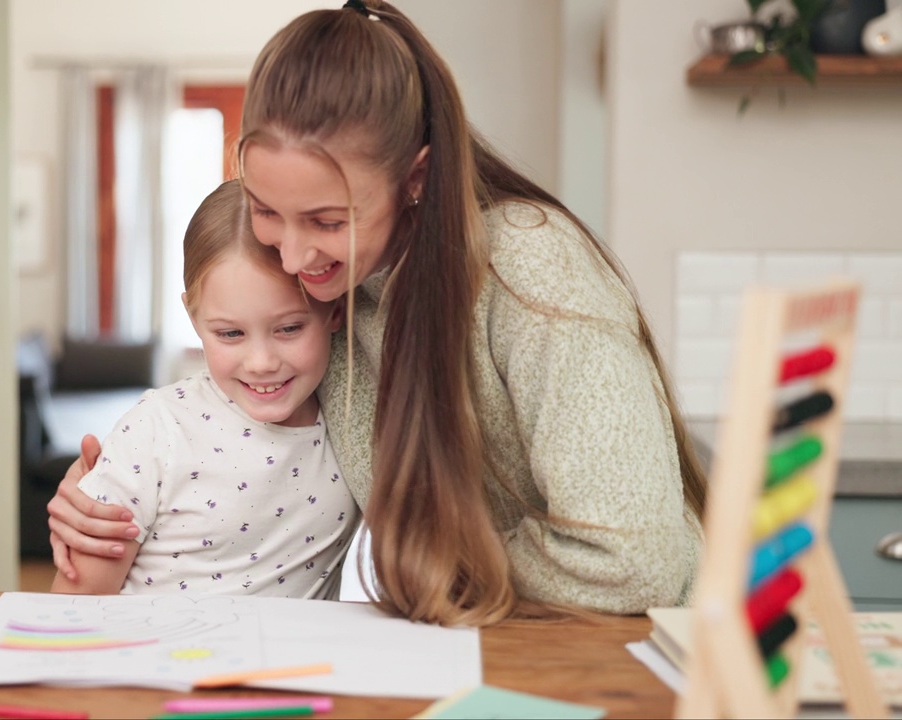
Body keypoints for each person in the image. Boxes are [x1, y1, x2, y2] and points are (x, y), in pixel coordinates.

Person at [49, 0, 706, 624]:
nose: (295, 256)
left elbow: (633, 560)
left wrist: (438, 569)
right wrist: (102, 493)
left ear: (416, 179)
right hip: (498, 638)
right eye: (268, 210)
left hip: (644, 646)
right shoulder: (331, 289)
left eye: (328, 221)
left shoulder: (531, 268)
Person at [50, 180, 358, 598]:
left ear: (335, 310)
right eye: (230, 333)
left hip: (289, 664)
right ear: (194, 319)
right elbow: (74, 605)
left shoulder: (355, 422)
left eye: (289, 328)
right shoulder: (156, 430)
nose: (262, 362)